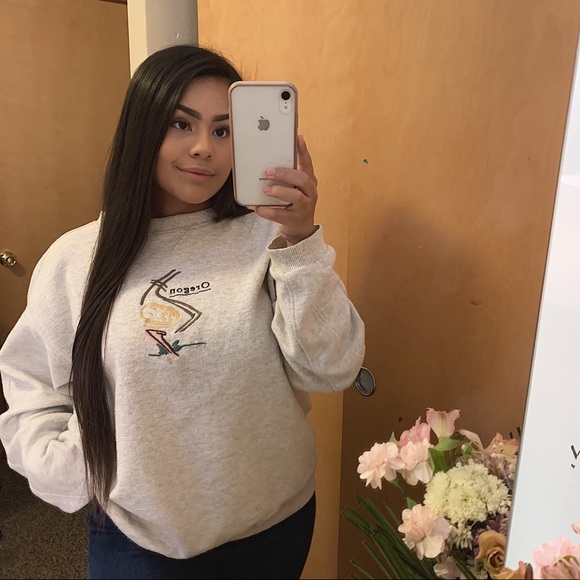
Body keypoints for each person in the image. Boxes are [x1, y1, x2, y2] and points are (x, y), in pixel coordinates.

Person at [0, 44, 365, 579]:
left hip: (272, 525)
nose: (203, 148)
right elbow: (31, 385)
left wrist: (300, 240)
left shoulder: (271, 239)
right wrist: (70, 468)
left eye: (223, 130)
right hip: (138, 537)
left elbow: (331, 368)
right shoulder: (76, 259)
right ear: (142, 129)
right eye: (181, 123)